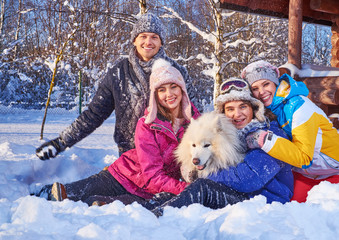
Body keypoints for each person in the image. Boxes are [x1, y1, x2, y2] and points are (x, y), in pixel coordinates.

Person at [33, 59, 200, 204]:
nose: (169, 94)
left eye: (173, 87)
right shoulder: (148, 124)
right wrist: (185, 189)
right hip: (124, 176)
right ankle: (36, 196)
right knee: (65, 194)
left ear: (182, 89)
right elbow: (152, 175)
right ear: (154, 95)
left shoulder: (197, 123)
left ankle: (98, 203)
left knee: (117, 206)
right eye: (161, 90)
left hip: (151, 191)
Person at [35, 13, 199, 160]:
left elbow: (196, 114)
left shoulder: (177, 72)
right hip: (130, 156)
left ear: (161, 42)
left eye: (154, 37)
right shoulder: (118, 74)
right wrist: (61, 142)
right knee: (108, 187)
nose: (148, 42)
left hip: (172, 157)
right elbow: (93, 115)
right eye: (143, 36)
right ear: (134, 40)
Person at [147, 79, 293, 217]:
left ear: (254, 108)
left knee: (202, 188)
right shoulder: (235, 135)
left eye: (243, 106)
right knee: (168, 196)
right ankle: (144, 214)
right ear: (223, 114)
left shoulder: (270, 136)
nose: (237, 114)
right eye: (230, 109)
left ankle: (161, 216)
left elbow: (246, 178)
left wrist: (201, 174)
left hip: (265, 204)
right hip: (242, 196)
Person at [241, 60, 339, 203]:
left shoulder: (300, 107)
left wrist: (264, 140)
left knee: (316, 213)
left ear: (275, 83)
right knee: (286, 204)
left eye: (266, 84)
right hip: (309, 173)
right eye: (255, 88)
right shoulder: (272, 110)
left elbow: (304, 158)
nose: (261, 92)